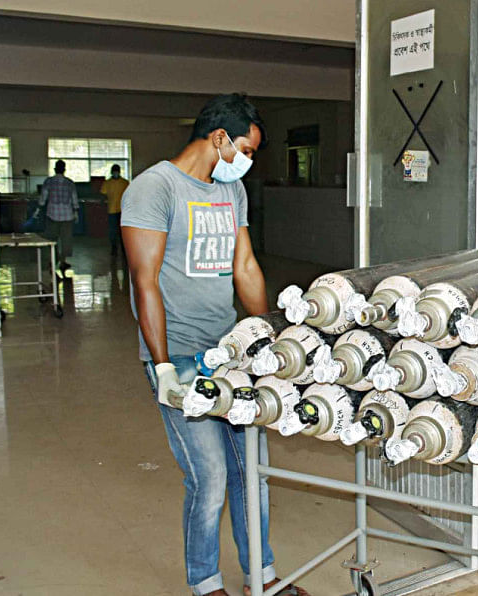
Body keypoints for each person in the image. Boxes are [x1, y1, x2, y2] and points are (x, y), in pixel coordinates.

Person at [122, 94, 308, 596]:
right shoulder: (153, 188)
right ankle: (205, 583)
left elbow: (244, 266)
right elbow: (145, 281)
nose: (248, 160)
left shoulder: (232, 190)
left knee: (252, 473)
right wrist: (162, 365)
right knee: (208, 478)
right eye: (246, 149)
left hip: (228, 351)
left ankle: (261, 579)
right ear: (219, 137)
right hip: (179, 354)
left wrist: (267, 336)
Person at [39, 159, 78, 271]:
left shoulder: (48, 181)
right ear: (64, 170)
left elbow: (43, 198)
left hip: (52, 215)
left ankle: (53, 260)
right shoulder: (70, 183)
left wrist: (40, 207)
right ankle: (63, 262)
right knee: (66, 240)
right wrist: (76, 212)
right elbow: (74, 199)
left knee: (52, 239)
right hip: (67, 216)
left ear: (55, 169)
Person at [100, 164, 129, 255]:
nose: (115, 173)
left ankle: (124, 248)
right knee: (113, 231)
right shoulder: (107, 183)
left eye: (117, 171)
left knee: (122, 231)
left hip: (123, 210)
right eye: (114, 171)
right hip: (111, 210)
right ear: (111, 172)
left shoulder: (125, 183)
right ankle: (114, 248)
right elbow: (103, 195)